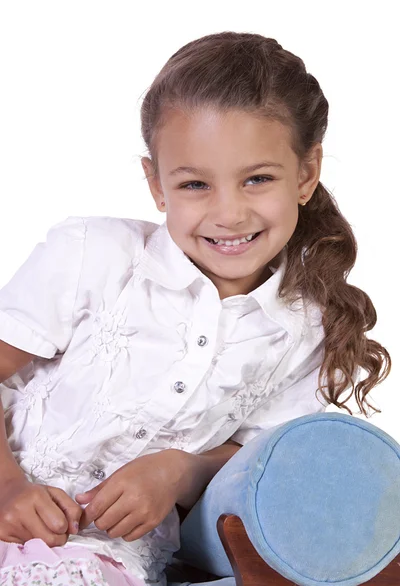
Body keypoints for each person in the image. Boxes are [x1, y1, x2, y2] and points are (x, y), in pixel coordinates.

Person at [0, 31, 391, 586]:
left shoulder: (305, 332)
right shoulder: (95, 256)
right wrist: (9, 488)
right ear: (157, 185)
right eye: (195, 184)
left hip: (110, 554)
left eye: (257, 179)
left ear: (305, 174)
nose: (229, 213)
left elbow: (253, 459)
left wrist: (179, 471)